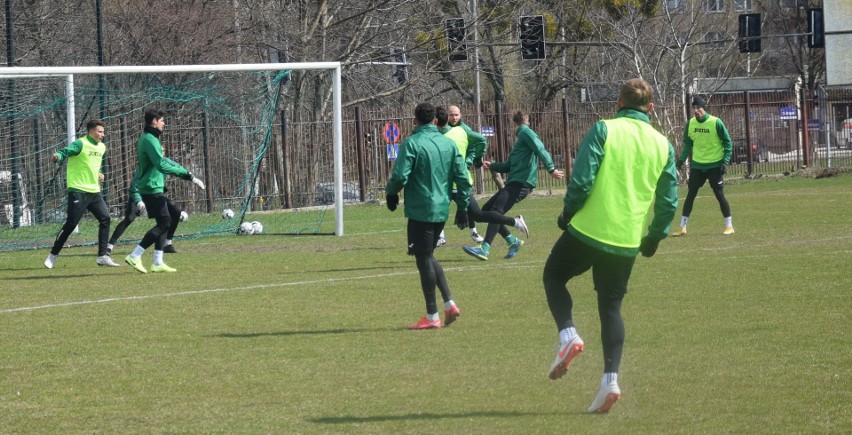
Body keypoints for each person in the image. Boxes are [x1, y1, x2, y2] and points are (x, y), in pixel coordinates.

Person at [542, 78, 678, 414]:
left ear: (618, 103)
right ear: (651, 108)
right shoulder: (663, 144)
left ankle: (568, 336)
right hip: (627, 239)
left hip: (590, 229)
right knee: (611, 307)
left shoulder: (605, 129)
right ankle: (610, 380)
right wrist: (653, 238)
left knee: (554, 276)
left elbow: (582, 179)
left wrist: (568, 213)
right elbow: (668, 201)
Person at [385, 102, 471, 330]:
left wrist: (391, 193)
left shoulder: (412, 143)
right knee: (428, 254)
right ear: (435, 120)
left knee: (423, 258)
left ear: (415, 120)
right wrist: (462, 207)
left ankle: (432, 315)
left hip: (421, 208)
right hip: (442, 207)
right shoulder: (448, 143)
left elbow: (401, 175)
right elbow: (463, 177)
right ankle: (449, 303)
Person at [462, 110, 564, 261]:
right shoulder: (520, 141)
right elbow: (509, 166)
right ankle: (512, 241)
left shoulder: (526, 132)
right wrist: (493, 166)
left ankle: (485, 248)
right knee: (487, 211)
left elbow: (540, 148)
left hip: (521, 184)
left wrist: (551, 169)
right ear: (527, 120)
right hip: (515, 183)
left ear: (514, 124)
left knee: (496, 210)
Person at [124, 110, 205, 273]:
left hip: (154, 187)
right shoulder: (149, 140)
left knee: (173, 213)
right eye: (162, 121)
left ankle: (157, 261)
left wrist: (190, 176)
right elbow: (162, 165)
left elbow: (164, 162)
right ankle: (134, 255)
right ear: (154, 121)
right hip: (150, 188)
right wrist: (187, 175)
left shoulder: (149, 138)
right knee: (165, 223)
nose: (164, 123)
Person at [43, 120, 120, 269]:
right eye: (100, 131)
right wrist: (57, 156)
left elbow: (92, 164)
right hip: (78, 190)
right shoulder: (80, 143)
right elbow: (65, 151)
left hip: (94, 192)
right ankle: (53, 255)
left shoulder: (102, 147)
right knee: (71, 224)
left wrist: (99, 173)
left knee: (106, 218)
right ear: (91, 131)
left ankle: (102, 256)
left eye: (103, 132)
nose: (102, 134)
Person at [671, 97, 734, 236]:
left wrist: (725, 162)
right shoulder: (690, 124)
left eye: (698, 108)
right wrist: (680, 161)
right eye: (693, 108)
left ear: (703, 108)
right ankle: (682, 227)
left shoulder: (716, 122)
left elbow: (727, 143)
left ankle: (729, 226)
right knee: (690, 195)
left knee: (719, 194)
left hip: (715, 165)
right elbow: (688, 144)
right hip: (698, 166)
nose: (695, 111)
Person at [434, 105, 487, 246]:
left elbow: (476, 144)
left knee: (472, 209)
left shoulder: (464, 130)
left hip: (459, 177)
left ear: (460, 115)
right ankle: (440, 236)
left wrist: (471, 160)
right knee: (440, 207)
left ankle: (474, 231)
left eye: (456, 115)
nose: (454, 117)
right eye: (451, 115)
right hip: (445, 179)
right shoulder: (440, 131)